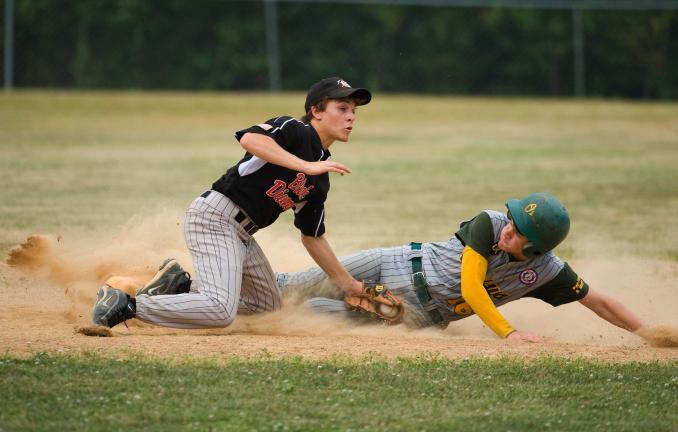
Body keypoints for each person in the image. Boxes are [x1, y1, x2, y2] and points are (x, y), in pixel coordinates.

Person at [92, 77, 372, 329]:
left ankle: (179, 290)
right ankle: (125, 305)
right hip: (215, 217)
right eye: (342, 108)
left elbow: (313, 238)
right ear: (317, 111)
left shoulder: (320, 177)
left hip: (241, 235)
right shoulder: (294, 130)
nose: (351, 117)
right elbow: (250, 139)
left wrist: (349, 285)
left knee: (266, 307)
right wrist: (304, 165)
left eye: (354, 111)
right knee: (220, 311)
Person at [276, 192, 646, 342]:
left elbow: (599, 301)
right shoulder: (490, 223)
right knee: (297, 285)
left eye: (518, 233)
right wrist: (508, 332)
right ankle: (229, 282)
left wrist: (650, 333)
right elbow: (472, 287)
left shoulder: (546, 271)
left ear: (535, 249)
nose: (508, 229)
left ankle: (253, 313)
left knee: (311, 311)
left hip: (414, 313)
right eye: (512, 221)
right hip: (394, 262)